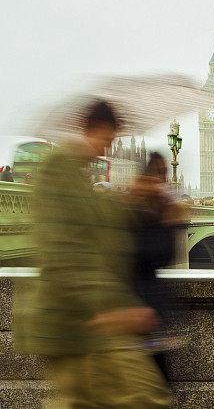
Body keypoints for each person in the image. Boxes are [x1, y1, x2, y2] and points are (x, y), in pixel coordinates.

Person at [13, 100, 172, 408]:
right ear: (94, 129)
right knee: (145, 397)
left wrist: (146, 202)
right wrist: (113, 308)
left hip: (93, 325)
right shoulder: (58, 169)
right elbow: (67, 253)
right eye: (108, 139)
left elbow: (108, 225)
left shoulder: (82, 176)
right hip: (77, 323)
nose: (107, 149)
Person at [129, 152, 186, 377]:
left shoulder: (157, 207)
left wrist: (169, 219)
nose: (162, 180)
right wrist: (167, 222)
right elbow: (141, 254)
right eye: (158, 173)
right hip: (134, 309)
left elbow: (167, 257)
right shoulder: (133, 209)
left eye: (163, 174)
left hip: (151, 310)